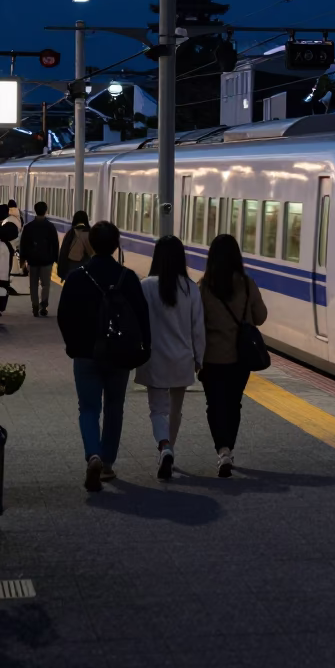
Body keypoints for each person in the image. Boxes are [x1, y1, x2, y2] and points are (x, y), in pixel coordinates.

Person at [57, 220, 151, 492]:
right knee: (114, 407)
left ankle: (93, 454)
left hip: (85, 355)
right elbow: (143, 316)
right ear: (116, 245)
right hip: (120, 355)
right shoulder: (128, 277)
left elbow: (64, 317)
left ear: (92, 244)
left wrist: (71, 345)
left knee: (87, 408)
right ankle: (108, 463)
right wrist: (146, 347)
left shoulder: (77, 277)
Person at [135, 235, 205, 480]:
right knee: (176, 410)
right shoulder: (190, 288)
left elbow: (138, 323)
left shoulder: (146, 286)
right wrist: (199, 358)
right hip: (182, 358)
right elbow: (198, 327)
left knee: (157, 410)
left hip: (154, 358)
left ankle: (164, 447)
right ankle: (169, 451)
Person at [200, 233, 267, 477]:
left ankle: (223, 450)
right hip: (241, 359)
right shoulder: (247, 284)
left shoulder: (204, 286)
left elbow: (198, 324)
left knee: (214, 405)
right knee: (233, 404)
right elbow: (260, 317)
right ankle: (229, 448)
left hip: (212, 358)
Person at [19, 201, 59, 318]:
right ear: (45, 211)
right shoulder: (50, 227)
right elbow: (55, 245)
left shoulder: (28, 227)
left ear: (35, 210)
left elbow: (23, 246)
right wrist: (56, 260)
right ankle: (44, 306)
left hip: (32, 261)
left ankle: (35, 306)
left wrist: (22, 262)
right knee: (46, 284)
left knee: (33, 285)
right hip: (47, 261)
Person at [57, 210, 93, 281]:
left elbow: (63, 251)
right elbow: (91, 252)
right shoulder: (88, 233)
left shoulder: (70, 233)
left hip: (70, 265)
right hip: (83, 265)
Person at [0, 218, 18, 316]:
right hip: (3, 276)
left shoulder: (6, 245)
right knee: (2, 293)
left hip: (3, 276)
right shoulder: (6, 246)